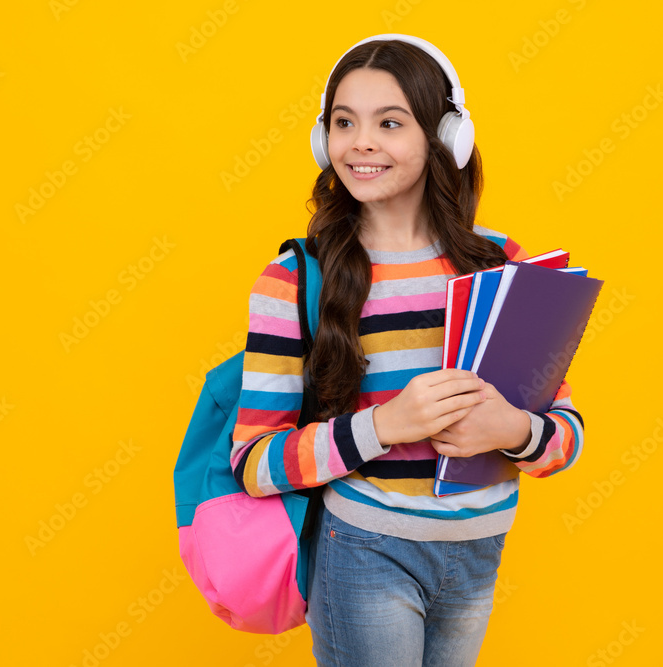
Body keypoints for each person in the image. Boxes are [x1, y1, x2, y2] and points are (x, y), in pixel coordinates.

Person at [230, 34, 584, 667]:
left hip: (479, 551)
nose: (360, 142)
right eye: (344, 122)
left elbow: (566, 437)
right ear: (324, 141)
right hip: (366, 549)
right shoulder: (295, 279)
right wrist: (385, 425)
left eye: (389, 123)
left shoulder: (502, 264)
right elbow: (254, 463)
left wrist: (512, 428)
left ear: (445, 138)